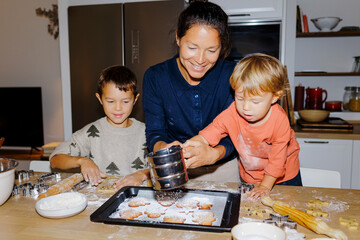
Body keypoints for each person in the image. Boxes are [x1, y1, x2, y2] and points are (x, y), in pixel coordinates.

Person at [142, 1, 239, 181]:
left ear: (221, 46)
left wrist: (213, 154)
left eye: (211, 50)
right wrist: (165, 148)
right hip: (173, 168)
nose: (200, 60)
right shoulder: (156, 77)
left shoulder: (233, 75)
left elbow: (238, 131)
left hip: (222, 169)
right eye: (192, 48)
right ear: (178, 38)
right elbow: (155, 133)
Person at [184, 53, 302, 200]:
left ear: (275, 96)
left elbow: (277, 161)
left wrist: (265, 186)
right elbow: (211, 132)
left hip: (285, 178)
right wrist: (190, 147)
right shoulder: (232, 112)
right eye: (240, 98)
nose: (245, 107)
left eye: (255, 102)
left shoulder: (279, 121)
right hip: (250, 175)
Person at [50, 65, 149, 190]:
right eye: (110, 101)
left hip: (138, 201)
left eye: (125, 101)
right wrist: (82, 161)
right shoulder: (92, 132)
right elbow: (55, 159)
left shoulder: (147, 132)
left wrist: (143, 174)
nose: (118, 108)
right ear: (100, 99)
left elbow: (166, 167)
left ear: (135, 99)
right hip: (100, 201)